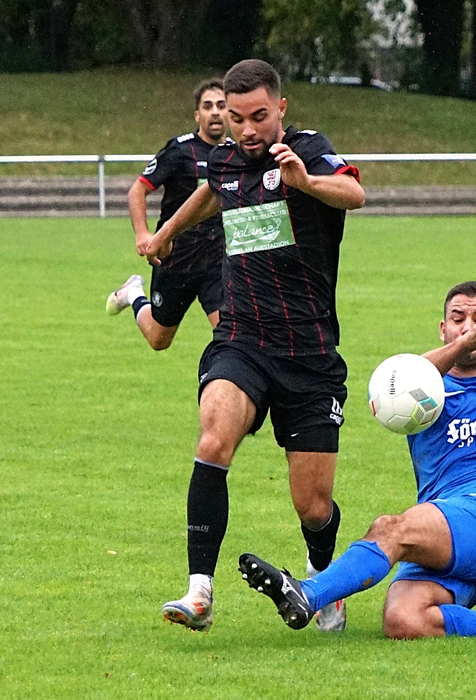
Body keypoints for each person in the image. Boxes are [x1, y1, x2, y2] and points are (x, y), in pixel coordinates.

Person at [239, 281, 476, 639]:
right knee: (405, 620)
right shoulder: (422, 390)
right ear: (443, 329)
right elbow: (398, 378)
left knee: (390, 529)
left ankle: (309, 593)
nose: (469, 326)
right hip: (442, 528)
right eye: (458, 318)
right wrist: (464, 344)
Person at [143, 59, 365, 633]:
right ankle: (199, 591)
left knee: (313, 507)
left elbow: (354, 193)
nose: (246, 129)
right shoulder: (223, 160)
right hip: (241, 340)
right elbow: (210, 193)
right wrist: (166, 233)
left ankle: (322, 576)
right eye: (237, 118)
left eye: (259, 117)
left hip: (310, 354)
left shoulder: (308, 150)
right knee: (214, 437)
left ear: (280, 109)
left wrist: (306, 183)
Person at [105, 79, 228, 350]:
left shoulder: (234, 154)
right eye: (208, 106)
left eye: (221, 106)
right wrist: (142, 234)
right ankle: (133, 293)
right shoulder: (180, 150)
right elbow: (138, 190)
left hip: (217, 262)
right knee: (159, 340)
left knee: (231, 333)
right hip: (175, 259)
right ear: (197, 115)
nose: (215, 112)